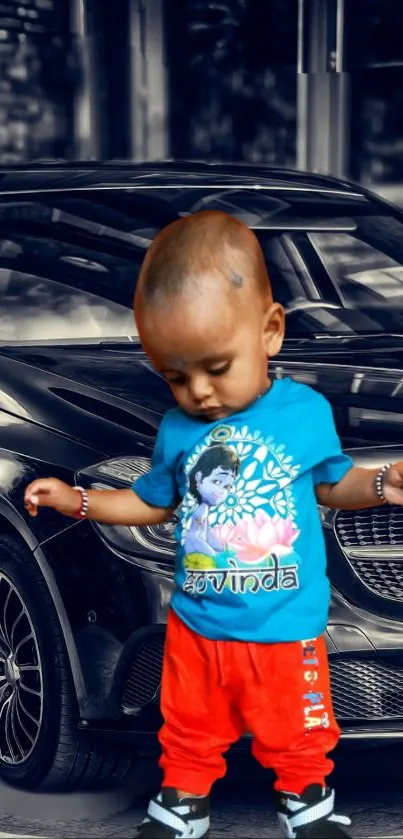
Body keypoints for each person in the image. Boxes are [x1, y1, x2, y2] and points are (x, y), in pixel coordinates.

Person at [24, 210, 403, 838]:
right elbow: (152, 502)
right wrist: (81, 501)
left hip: (286, 626)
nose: (198, 392)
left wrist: (385, 483)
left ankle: (305, 803)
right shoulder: (178, 430)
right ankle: (182, 805)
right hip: (200, 625)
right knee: (189, 725)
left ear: (270, 331)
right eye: (176, 376)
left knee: (298, 726)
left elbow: (335, 485)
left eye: (216, 368)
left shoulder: (304, 414)